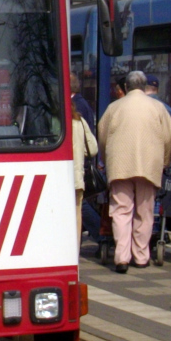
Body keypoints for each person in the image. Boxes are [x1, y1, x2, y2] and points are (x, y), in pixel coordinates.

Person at [97, 70, 171, 272]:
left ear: (127, 87)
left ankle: (121, 257)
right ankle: (141, 256)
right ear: (143, 86)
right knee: (145, 211)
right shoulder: (158, 108)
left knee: (121, 211)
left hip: (120, 165)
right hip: (149, 166)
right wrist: (165, 162)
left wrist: (106, 161)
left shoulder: (114, 108)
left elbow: (102, 136)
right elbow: (168, 137)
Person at [70, 104, 98, 248]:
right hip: (77, 179)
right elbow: (93, 148)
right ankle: (74, 251)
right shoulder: (79, 121)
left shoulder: (52, 121)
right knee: (76, 215)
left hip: (56, 181)